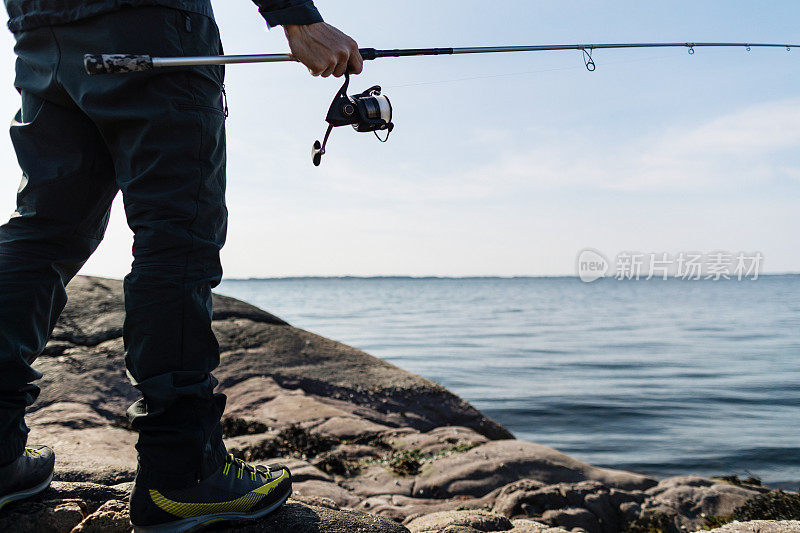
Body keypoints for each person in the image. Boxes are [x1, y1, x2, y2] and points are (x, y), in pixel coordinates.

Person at [0, 0, 362, 530]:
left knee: (42, 233)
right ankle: (182, 474)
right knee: (177, 237)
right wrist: (298, 19)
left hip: (41, 36)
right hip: (151, 26)